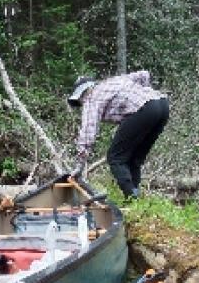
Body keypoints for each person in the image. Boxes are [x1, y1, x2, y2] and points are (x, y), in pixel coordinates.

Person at [67, 71, 169, 199]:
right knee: (134, 158)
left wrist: (80, 165)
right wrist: (145, 93)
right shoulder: (113, 82)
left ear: (82, 93)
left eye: (80, 100)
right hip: (162, 105)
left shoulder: (91, 97)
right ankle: (136, 197)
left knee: (115, 158)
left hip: (144, 108)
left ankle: (132, 197)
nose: (82, 103)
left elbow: (88, 133)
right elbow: (144, 74)